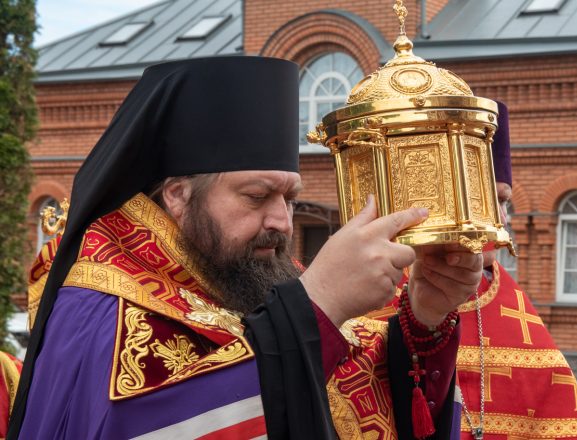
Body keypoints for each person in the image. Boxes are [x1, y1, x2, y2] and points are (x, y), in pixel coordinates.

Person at [9, 56, 483, 439]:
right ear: (178, 195)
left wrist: (424, 320)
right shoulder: (100, 304)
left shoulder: (247, 268)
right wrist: (316, 308)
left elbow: (361, 398)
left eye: (289, 199)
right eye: (257, 196)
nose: (280, 220)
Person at [369, 102, 577, 440]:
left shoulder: (517, 311)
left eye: (505, 202)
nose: (502, 219)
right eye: (484, 199)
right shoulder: (374, 294)